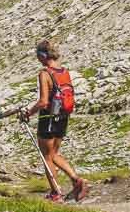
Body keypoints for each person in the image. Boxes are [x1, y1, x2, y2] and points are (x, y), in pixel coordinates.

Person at [19, 39, 88, 202]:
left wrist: (28, 112)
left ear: (43, 56)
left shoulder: (45, 73)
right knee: (54, 153)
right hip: (63, 117)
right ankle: (77, 180)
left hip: (48, 118)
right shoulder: (64, 71)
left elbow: (43, 101)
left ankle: (56, 193)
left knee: (47, 156)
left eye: (38, 56)